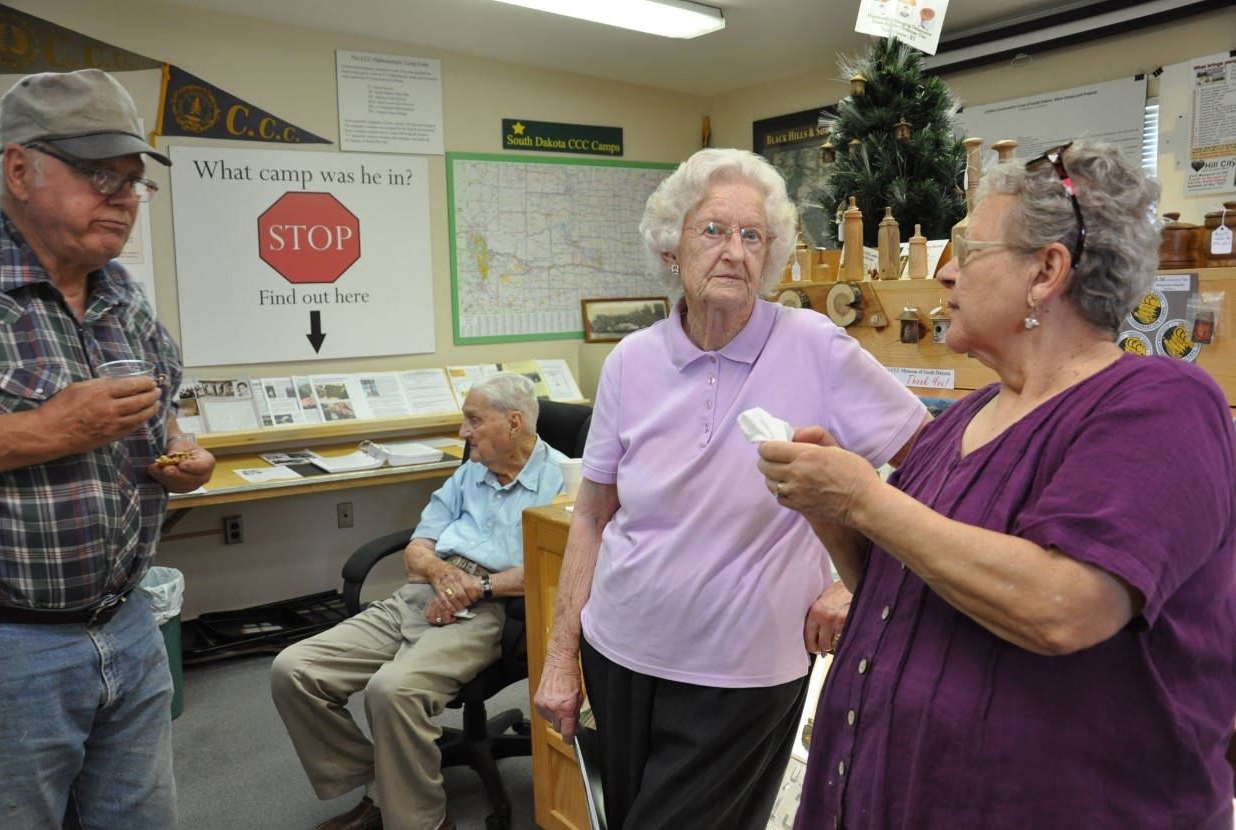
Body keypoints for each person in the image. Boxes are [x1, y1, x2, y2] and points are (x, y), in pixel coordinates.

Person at [758, 141, 1236, 828]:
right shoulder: (967, 416)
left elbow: (1062, 607)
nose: (945, 272)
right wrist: (834, 516)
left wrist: (864, 498)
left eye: (969, 252)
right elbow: (902, 592)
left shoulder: (1163, 404)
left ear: (1046, 272)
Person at [533, 148, 928, 829]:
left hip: (746, 671)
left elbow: (933, 462)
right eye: (713, 230)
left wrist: (854, 580)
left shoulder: (815, 346)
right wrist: (561, 659)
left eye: (753, 236)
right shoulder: (630, 361)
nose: (735, 251)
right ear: (672, 248)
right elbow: (593, 515)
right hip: (620, 652)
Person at [0, 69, 215, 828]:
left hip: (129, 624)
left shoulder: (124, 297)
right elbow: (66, 429)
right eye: (98, 175)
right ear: (20, 170)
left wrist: (179, 454)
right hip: (6, 646)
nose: (122, 197)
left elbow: (163, 418)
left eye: (132, 180)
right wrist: (47, 430)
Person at [271, 372, 567, 830]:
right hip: (423, 591)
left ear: (514, 422)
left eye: (473, 420)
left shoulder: (563, 482)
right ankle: (384, 787)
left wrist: (476, 587)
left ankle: (422, 820)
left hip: (492, 610)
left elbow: (553, 569)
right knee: (294, 670)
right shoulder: (468, 473)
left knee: (392, 691)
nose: (463, 433)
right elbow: (417, 549)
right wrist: (441, 574)